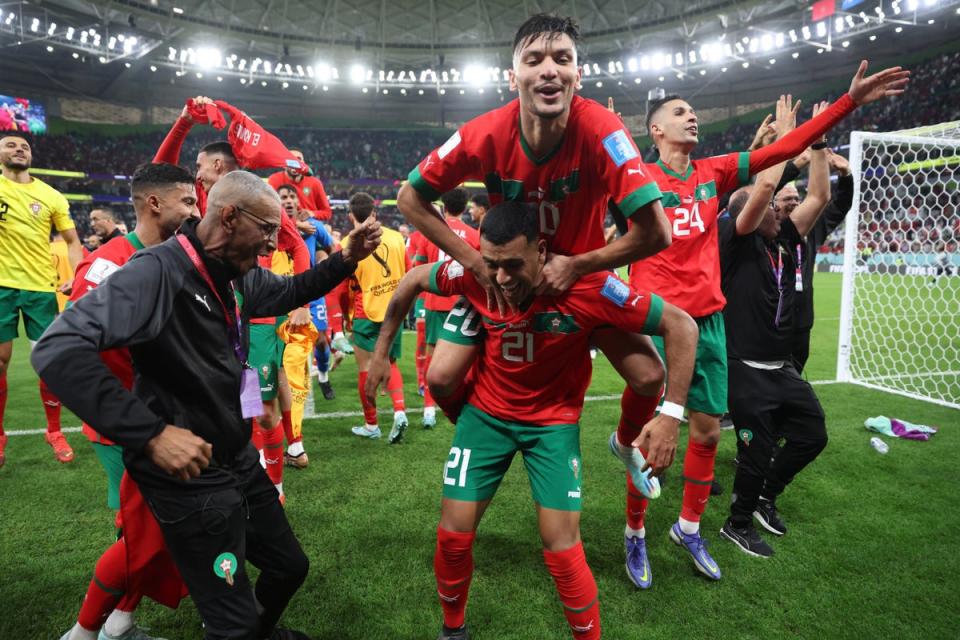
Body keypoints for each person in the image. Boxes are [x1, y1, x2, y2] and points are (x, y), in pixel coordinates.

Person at [33, 170, 382, 640]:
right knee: (230, 623)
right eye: (266, 229)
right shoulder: (157, 270)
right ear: (230, 217)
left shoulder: (236, 272)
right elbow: (57, 348)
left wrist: (345, 259)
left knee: (289, 567)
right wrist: (151, 433)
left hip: (237, 458)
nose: (271, 244)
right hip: (190, 479)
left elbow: (289, 290)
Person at [622, 61, 909, 583]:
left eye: (693, 111)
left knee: (707, 435)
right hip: (658, 320)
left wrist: (847, 104)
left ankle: (688, 527)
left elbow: (779, 155)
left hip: (709, 323)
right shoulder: (638, 177)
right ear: (655, 130)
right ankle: (635, 530)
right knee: (649, 440)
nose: (692, 117)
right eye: (680, 112)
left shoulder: (711, 172)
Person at [365, 201, 698, 640]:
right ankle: (453, 630)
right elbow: (411, 280)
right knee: (452, 535)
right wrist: (381, 352)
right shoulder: (477, 276)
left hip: (552, 426)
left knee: (561, 550)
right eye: (492, 264)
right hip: (486, 418)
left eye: (512, 266)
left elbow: (682, 325)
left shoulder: (589, 287)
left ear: (542, 251)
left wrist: (671, 414)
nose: (500, 278)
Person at [397, 17, 675, 542]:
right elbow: (411, 197)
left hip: (580, 285)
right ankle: (481, 427)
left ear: (578, 75)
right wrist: (477, 261)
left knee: (647, 378)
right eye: (534, 61)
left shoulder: (602, 129)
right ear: (513, 77)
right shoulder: (484, 131)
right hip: (510, 283)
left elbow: (656, 231)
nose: (549, 71)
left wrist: (577, 264)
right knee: (439, 377)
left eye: (562, 60)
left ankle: (622, 443)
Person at [59, 162, 199, 640]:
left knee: (149, 532)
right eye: (188, 200)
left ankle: (119, 622)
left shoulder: (177, 255)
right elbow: (73, 351)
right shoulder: (110, 263)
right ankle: (83, 632)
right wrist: (131, 417)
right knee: (148, 534)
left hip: (164, 419)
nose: (196, 209)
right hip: (127, 426)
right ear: (155, 203)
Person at [716, 120, 833, 557]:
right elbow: (762, 192)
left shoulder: (781, 239)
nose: (779, 212)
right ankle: (738, 523)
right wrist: (788, 142)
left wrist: (817, 144)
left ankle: (767, 493)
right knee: (755, 450)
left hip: (781, 366)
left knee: (812, 434)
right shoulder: (736, 238)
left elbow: (819, 196)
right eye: (770, 208)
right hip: (745, 368)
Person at [0, 132, 83, 467]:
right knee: (0, 362)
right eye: (10, 144)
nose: (19, 148)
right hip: (1, 286)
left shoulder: (50, 195)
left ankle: (54, 430)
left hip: (40, 288)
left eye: (25, 146)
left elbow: (73, 241)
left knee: (49, 362)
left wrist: (75, 275)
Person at [346, 192, 410, 443]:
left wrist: (341, 320)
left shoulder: (346, 246)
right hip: (394, 311)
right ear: (374, 212)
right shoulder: (396, 238)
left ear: (351, 215)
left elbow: (345, 286)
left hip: (365, 312)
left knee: (365, 367)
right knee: (389, 364)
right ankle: (400, 411)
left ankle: (371, 424)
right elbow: (408, 274)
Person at [417, 188, 480, 429]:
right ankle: (468, 404)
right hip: (463, 303)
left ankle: (429, 410)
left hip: (435, 301)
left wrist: (422, 303)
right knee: (467, 356)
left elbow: (418, 268)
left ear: (444, 205)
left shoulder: (429, 233)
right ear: (464, 208)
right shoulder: (474, 235)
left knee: (433, 358)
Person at [267, 149, 333, 221]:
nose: (295, 163)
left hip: (310, 226)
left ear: (304, 164)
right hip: (284, 225)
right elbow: (269, 209)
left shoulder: (315, 183)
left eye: (299, 159)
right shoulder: (274, 180)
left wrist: (312, 214)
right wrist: (297, 224)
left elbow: (327, 212)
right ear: (284, 164)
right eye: (291, 159)